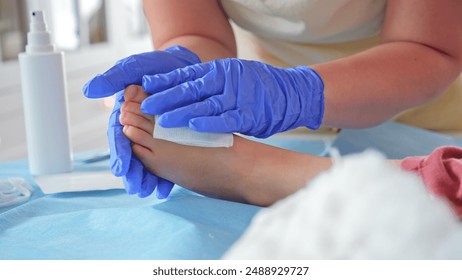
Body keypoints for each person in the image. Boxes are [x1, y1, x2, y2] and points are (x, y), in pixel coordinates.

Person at [83, 0, 462, 200]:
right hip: (270, 124)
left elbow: (428, 46)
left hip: (423, 115)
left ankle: (256, 172)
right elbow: (194, 30)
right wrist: (182, 68)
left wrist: (294, 93)